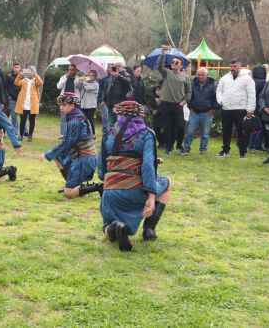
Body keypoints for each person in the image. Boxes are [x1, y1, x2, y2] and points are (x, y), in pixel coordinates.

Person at [98, 101, 171, 252]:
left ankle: (113, 228)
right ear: (140, 115)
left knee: (107, 225)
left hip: (110, 191)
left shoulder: (109, 134)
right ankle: (149, 229)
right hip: (135, 190)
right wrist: (151, 197)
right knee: (166, 183)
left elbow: (101, 169)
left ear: (118, 114)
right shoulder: (146, 134)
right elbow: (148, 166)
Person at [41, 92, 101, 199]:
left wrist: (48, 154)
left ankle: (97, 187)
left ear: (72, 105)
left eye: (64, 105)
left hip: (85, 159)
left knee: (69, 194)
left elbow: (68, 143)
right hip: (78, 156)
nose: (61, 108)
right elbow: (79, 137)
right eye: (60, 105)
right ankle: (73, 185)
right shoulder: (76, 116)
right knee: (58, 157)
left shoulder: (75, 119)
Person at [216, 59, 256, 158]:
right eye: (231, 66)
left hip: (241, 109)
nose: (233, 68)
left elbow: (252, 94)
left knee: (241, 132)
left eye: (235, 66)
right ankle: (225, 151)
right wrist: (221, 101)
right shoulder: (224, 78)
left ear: (240, 66)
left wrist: (250, 109)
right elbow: (219, 91)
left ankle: (242, 153)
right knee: (226, 131)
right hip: (226, 109)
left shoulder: (247, 79)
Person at [157, 48, 190, 155]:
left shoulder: (185, 77)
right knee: (168, 127)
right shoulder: (167, 73)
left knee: (180, 126)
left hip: (178, 105)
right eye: (173, 62)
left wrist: (184, 101)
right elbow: (159, 66)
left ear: (181, 65)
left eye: (177, 62)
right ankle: (169, 147)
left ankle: (179, 146)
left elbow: (189, 92)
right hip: (166, 104)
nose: (174, 64)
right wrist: (163, 54)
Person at [181, 67, 218, 155]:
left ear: (207, 75)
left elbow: (216, 98)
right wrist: (190, 107)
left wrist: (213, 109)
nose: (200, 76)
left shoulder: (213, 85)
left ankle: (203, 149)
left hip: (207, 112)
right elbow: (190, 96)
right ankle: (186, 149)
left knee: (205, 134)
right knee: (189, 132)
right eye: (199, 75)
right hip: (194, 112)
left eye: (202, 75)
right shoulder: (192, 83)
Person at [14, 66, 43, 141]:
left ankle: (30, 136)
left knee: (32, 120)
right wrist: (20, 74)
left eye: (31, 71)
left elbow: (40, 83)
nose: (29, 72)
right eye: (28, 71)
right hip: (24, 104)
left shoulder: (35, 81)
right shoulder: (24, 80)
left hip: (32, 104)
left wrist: (35, 74)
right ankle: (21, 135)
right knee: (22, 120)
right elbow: (16, 82)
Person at [102, 63, 133, 129]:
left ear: (122, 67)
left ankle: (118, 138)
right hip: (110, 104)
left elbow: (128, 83)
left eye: (118, 66)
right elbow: (107, 88)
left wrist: (118, 75)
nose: (116, 68)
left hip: (120, 104)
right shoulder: (111, 76)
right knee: (111, 125)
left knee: (120, 124)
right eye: (115, 67)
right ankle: (111, 138)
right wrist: (104, 99)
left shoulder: (125, 75)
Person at [75, 70, 100, 135]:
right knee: (83, 119)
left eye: (92, 75)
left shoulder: (96, 84)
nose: (90, 77)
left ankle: (92, 134)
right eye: (89, 75)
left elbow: (88, 88)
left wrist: (83, 81)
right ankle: (84, 133)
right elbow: (77, 86)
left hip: (91, 105)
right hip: (83, 104)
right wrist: (79, 80)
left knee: (90, 120)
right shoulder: (85, 82)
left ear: (95, 77)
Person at [4, 63, 22, 130]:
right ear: (13, 68)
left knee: (22, 116)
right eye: (15, 67)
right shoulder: (9, 76)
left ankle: (24, 131)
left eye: (18, 67)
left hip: (21, 99)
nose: (16, 69)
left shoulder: (22, 77)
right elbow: (5, 87)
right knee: (13, 115)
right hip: (12, 98)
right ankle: (15, 130)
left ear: (20, 68)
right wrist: (8, 95)